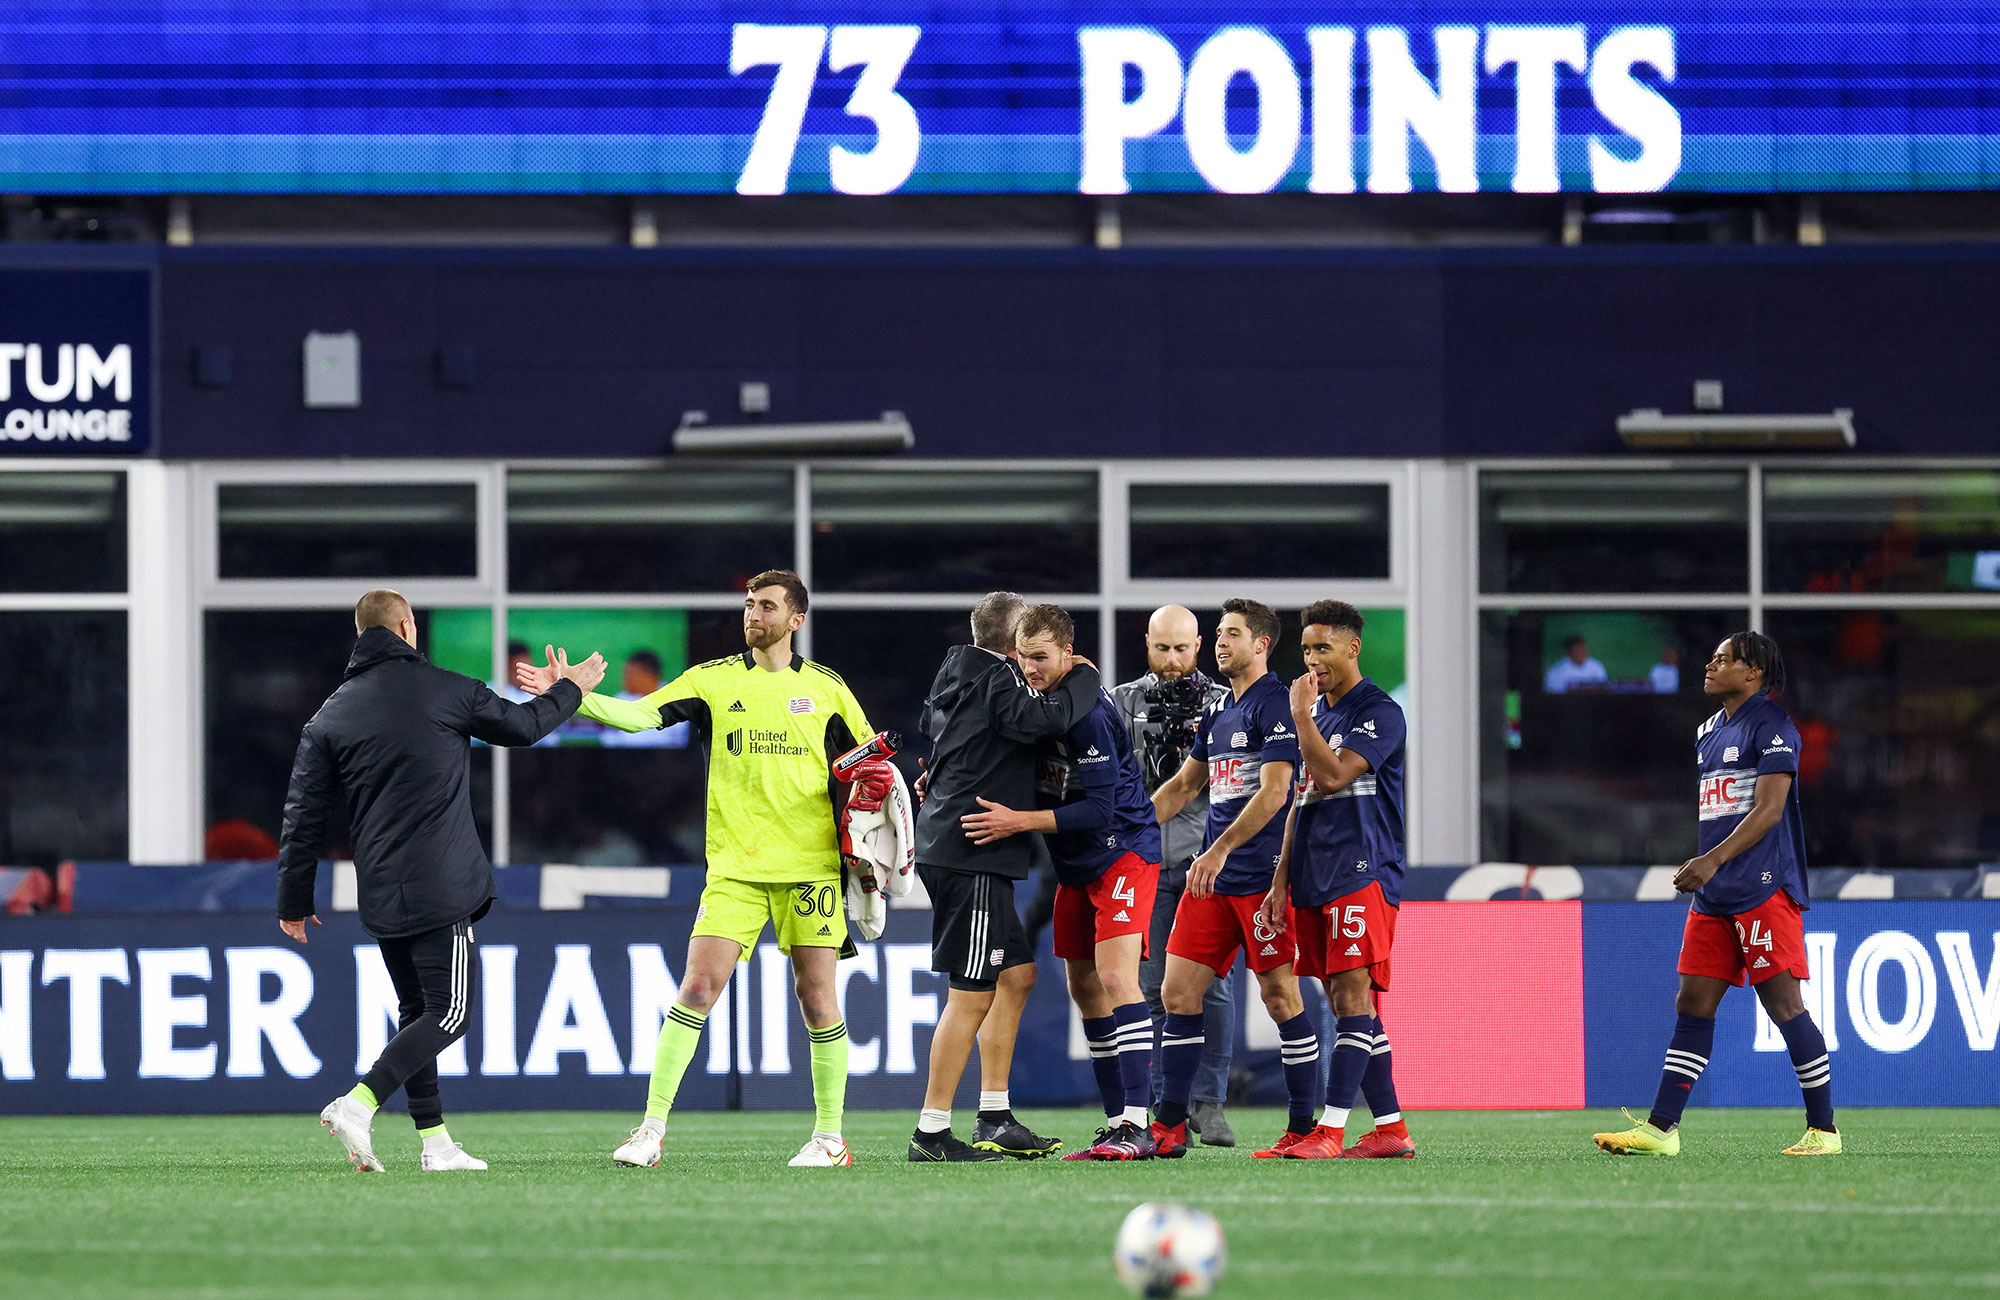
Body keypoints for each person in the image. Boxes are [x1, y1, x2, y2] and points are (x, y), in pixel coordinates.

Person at [517, 570, 891, 1170]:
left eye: (767, 606)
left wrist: (876, 806)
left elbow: (870, 766)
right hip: (735, 870)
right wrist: (571, 695)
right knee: (696, 988)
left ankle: (829, 1139)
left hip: (810, 868)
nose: (753, 614)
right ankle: (650, 1130)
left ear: (796, 620)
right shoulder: (712, 681)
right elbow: (640, 717)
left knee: (818, 999)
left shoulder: (828, 689)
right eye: (749, 604)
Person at [277, 588, 603, 1172]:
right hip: (443, 881)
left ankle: (437, 1145)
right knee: (450, 1012)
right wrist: (571, 687)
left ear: (362, 634)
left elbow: (302, 816)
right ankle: (358, 1102)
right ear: (407, 627)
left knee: (415, 1011)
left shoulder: (329, 715)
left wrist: (294, 898)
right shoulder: (449, 690)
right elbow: (524, 727)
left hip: (378, 884)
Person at [1595, 632, 1839, 1158]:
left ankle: (1824, 1132)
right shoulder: (1708, 730)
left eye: (1724, 659)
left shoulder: (1774, 726)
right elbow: (1723, 807)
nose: (1711, 664)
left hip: (1762, 888)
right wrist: (1710, 865)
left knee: (1784, 1005)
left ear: (1752, 673)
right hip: (1715, 894)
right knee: (1693, 1002)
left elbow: (1770, 811)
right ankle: (1662, 1132)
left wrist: (1712, 859)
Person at [960, 604, 1163, 1161]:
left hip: (1123, 853)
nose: (1029, 667)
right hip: (1075, 866)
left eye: (1041, 657)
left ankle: (1140, 1126)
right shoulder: (1037, 705)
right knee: (1084, 988)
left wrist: (1017, 821)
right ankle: (1118, 1120)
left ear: (1068, 654)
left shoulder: (1088, 713)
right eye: (1023, 656)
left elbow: (1099, 810)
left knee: (1119, 978)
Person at [908, 591, 1103, 1162]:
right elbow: (1048, 717)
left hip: (963, 844)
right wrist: (1083, 676)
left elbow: (941, 735)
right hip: (971, 851)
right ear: (1012, 641)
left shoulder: (956, 670)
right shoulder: (996, 679)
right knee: (972, 991)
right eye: (1028, 645)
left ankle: (994, 1115)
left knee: (1016, 976)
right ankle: (931, 1132)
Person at [1146, 599, 1317, 1160]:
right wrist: (1122, 837)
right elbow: (1180, 789)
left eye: (1232, 635)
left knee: (1280, 996)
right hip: (1213, 883)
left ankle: (1300, 1127)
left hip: (1262, 880)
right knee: (1177, 992)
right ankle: (1169, 1126)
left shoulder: (1276, 707)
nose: (1220, 643)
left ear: (1262, 644)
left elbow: (1275, 793)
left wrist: (1215, 850)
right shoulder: (1220, 710)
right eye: (1218, 634)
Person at [1259, 601, 1413, 1159]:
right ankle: (1391, 1129)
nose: (1312, 660)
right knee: (1352, 1005)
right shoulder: (1318, 715)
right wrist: (1281, 880)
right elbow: (1299, 804)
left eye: (1322, 648)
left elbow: (1330, 776)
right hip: (1313, 874)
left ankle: (1330, 1129)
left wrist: (1300, 717)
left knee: (1351, 1001)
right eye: (1305, 650)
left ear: (1353, 648)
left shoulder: (1381, 712)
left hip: (1361, 870)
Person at [1109, 605, 1237, 1147]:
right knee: (1151, 988)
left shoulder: (1226, 704)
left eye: (1182, 648)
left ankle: (1209, 1103)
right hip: (1140, 864)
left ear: (1200, 644)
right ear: (1146, 644)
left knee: (1213, 988)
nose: (1172, 660)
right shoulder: (1117, 703)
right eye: (1162, 648)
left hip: (1205, 861)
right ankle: (1169, 1108)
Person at [601, 650, 688, 748]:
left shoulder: (677, 701)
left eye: (630, 673)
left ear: (649, 675)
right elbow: (609, 740)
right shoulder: (618, 701)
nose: (624, 679)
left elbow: (682, 742)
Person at [1544, 634, 1608, 694]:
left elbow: (1603, 688)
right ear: (1569, 653)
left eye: (1583, 649)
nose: (1582, 653)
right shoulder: (1556, 671)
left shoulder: (1596, 666)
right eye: (1577, 651)